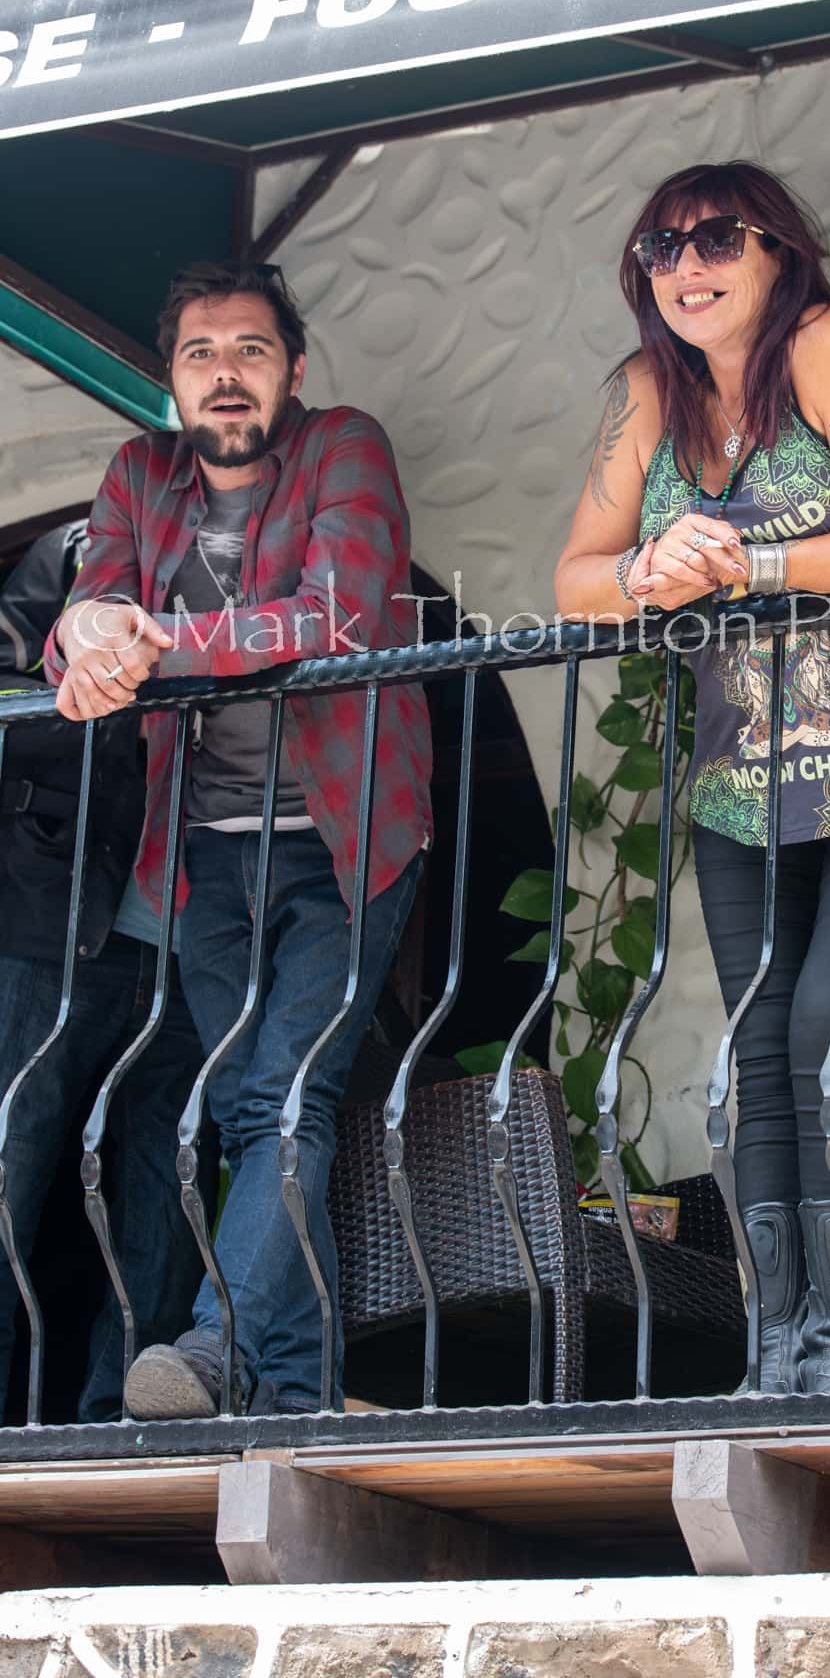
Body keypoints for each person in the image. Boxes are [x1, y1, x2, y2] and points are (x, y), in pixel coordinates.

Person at [555, 164, 830, 1394]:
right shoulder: (647, 391)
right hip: (740, 779)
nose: (685, 264)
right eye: (659, 246)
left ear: (777, 247)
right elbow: (574, 577)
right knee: (755, 1045)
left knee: (827, 1026)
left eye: (714, 238)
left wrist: (742, 563)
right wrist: (651, 565)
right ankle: (780, 1343)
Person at [45, 261, 432, 1419]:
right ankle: (297, 1391)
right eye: (201, 353)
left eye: (250, 351)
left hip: (347, 833)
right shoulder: (137, 472)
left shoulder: (343, 446)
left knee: (284, 1093)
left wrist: (158, 640)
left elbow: (337, 614)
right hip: (201, 847)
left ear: (292, 370)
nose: (226, 373)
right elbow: (92, 607)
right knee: (245, 1102)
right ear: (170, 379)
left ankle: (215, 1348)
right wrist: (89, 638)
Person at [0, 519, 205, 1422]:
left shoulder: (286, 553)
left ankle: (120, 1421)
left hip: (198, 936)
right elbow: (17, 690)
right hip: (55, 920)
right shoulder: (84, 543)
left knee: (167, 1187)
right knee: (12, 1166)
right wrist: (103, 691)